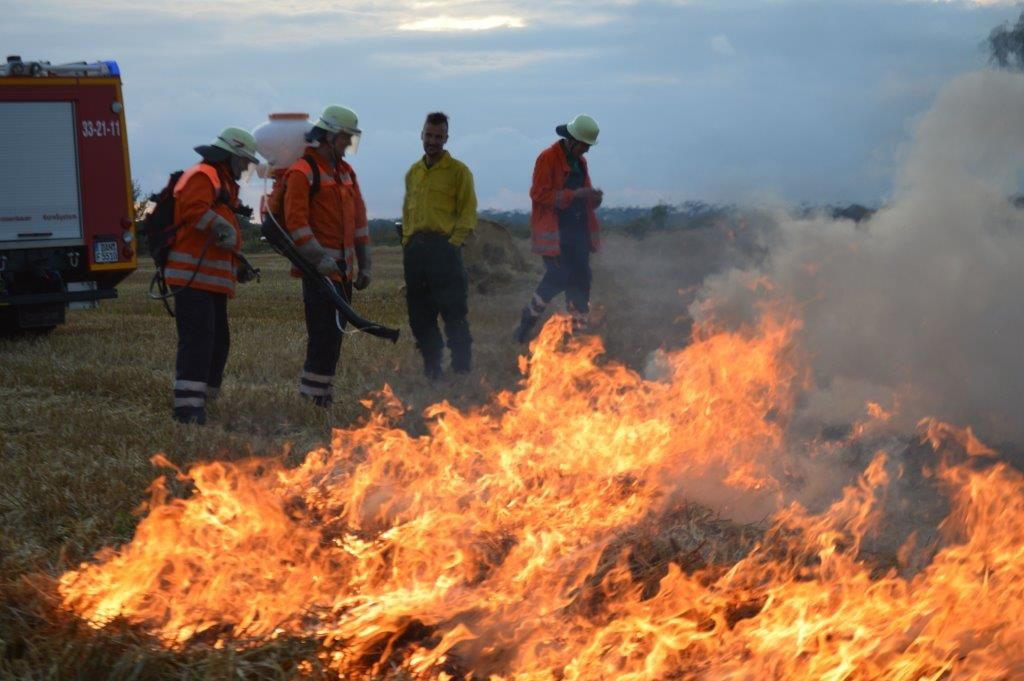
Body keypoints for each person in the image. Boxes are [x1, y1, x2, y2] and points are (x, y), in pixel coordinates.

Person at [166, 127, 261, 424]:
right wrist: (222, 226)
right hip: (192, 279)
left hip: (210, 282)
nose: (246, 166)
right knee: (199, 341)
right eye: (244, 160)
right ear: (230, 155)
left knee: (218, 342)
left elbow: (220, 240)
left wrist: (239, 264)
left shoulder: (223, 184)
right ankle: (187, 409)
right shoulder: (203, 174)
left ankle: (206, 400)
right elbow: (194, 210)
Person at [282, 105, 371, 406]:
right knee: (322, 338)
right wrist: (320, 259)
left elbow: (359, 222)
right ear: (329, 136)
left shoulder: (346, 173)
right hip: (319, 274)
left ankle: (322, 396)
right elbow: (297, 224)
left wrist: (365, 263)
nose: (348, 145)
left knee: (334, 339)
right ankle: (311, 400)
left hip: (343, 274)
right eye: (345, 138)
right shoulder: (302, 172)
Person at [401, 111, 478, 380]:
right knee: (419, 316)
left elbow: (468, 213)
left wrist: (452, 244)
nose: (432, 141)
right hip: (415, 253)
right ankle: (433, 368)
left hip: (443, 250)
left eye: (438, 136)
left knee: (454, 313)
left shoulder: (459, 172)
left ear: (446, 138)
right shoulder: (414, 172)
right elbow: (408, 211)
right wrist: (407, 242)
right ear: (422, 135)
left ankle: (461, 370)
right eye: (429, 135)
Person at [513, 114, 603, 343]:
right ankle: (525, 326)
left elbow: (585, 194)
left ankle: (578, 336)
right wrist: (575, 195)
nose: (587, 151)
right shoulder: (547, 158)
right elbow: (538, 194)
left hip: (578, 233)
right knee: (558, 277)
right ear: (572, 140)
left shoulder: (580, 163)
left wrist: (592, 198)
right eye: (585, 145)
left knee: (582, 279)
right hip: (555, 233)